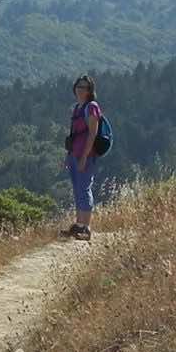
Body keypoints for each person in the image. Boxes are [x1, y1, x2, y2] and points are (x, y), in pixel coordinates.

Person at [65, 75, 102, 240]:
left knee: (84, 188)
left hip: (85, 155)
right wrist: (70, 156)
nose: (81, 90)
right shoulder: (77, 108)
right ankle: (79, 225)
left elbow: (92, 133)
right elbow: (74, 134)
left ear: (90, 90)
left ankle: (86, 228)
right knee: (78, 189)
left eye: (85, 87)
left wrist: (84, 157)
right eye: (79, 86)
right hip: (74, 154)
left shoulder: (91, 107)